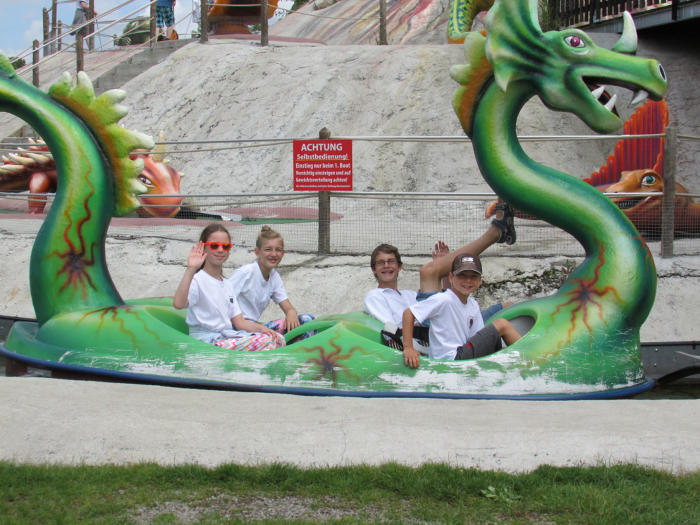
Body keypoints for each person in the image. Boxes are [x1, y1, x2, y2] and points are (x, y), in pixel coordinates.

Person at [364, 201, 516, 329]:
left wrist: (443, 274)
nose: (386, 265)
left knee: (507, 306)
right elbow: (390, 327)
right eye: (381, 263)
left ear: (399, 267)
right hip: (423, 332)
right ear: (373, 270)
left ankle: (498, 231)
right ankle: (496, 233)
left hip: (448, 322)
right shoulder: (374, 296)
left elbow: (449, 300)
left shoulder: (409, 295)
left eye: (391, 261)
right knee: (428, 271)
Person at [173, 223, 285, 351]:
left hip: (225, 336)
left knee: (278, 338)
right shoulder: (198, 279)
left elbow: (239, 322)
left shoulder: (226, 284)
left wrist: (262, 329)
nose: (220, 250)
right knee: (269, 341)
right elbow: (179, 304)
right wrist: (191, 269)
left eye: (225, 246)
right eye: (214, 246)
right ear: (204, 248)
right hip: (206, 341)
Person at [402, 253, 522, 368]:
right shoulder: (444, 299)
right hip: (450, 360)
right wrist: (408, 348)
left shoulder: (473, 304)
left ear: (479, 281)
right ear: (451, 277)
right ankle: (528, 356)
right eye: (462, 276)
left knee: (497, 337)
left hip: (464, 356)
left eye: (473, 276)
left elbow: (476, 336)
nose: (468, 281)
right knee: (502, 324)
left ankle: (519, 360)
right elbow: (409, 313)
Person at [228, 226, 315, 338]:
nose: (274, 254)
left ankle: (299, 348)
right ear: (257, 252)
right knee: (271, 337)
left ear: (283, 253)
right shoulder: (246, 273)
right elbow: (223, 299)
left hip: (254, 328)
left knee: (307, 320)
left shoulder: (274, 277)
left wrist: (291, 313)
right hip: (237, 327)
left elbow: (288, 307)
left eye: (278, 250)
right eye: (268, 249)